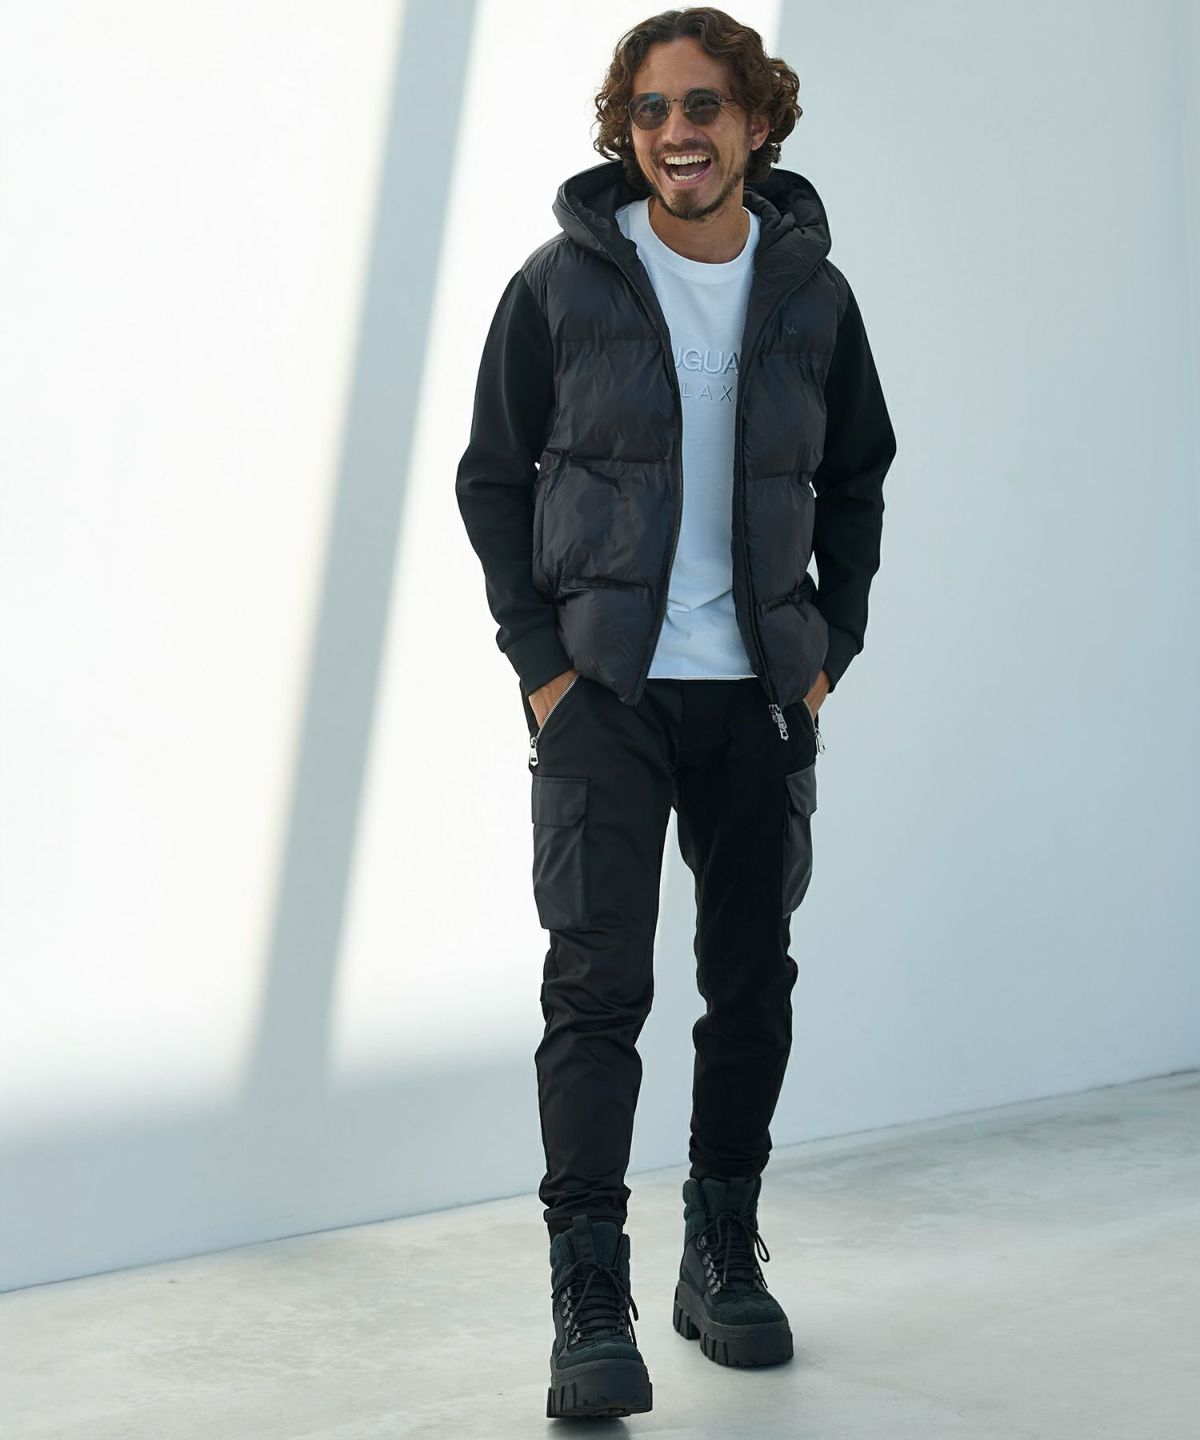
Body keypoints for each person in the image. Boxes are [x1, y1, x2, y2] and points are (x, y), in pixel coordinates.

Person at [456, 5, 896, 1420]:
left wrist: (828, 649)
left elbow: (859, 478)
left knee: (751, 979)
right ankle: (589, 1293)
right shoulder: (562, 287)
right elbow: (492, 478)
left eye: (704, 105)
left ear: (757, 121)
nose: (676, 133)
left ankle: (720, 1253)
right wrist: (543, 663)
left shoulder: (813, 297)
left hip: (756, 697)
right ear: (626, 131)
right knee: (597, 989)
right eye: (650, 110)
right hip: (607, 695)